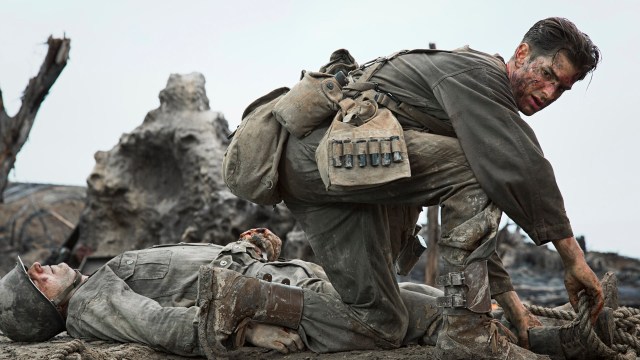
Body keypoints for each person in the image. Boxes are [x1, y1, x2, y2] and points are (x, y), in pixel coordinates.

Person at [215, 17, 604, 360]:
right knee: (480, 167)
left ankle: (247, 297)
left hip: (333, 173)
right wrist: (573, 259)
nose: (550, 92)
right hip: (319, 156)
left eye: (563, 88)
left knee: (379, 324)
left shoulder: (478, 99)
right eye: (549, 75)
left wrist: (514, 309)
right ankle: (467, 331)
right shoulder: (479, 75)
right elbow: (520, 167)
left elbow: (474, 222)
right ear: (522, 53)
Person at [0, 228, 445, 357]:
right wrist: (245, 332)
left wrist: (244, 247)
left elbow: (188, 276)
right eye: (34, 278)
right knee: (425, 315)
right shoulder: (88, 304)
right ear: (49, 306)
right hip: (283, 303)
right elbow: (160, 325)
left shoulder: (98, 280)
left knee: (425, 297)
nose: (40, 266)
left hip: (281, 280)